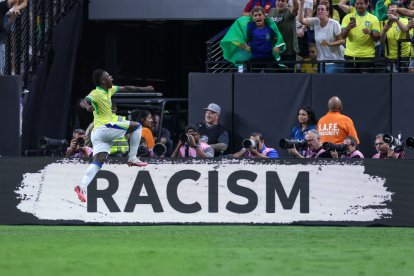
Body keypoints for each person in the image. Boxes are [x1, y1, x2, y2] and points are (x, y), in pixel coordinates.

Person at [74, 69, 155, 203]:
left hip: (98, 135)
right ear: (103, 81)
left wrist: (144, 88)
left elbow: (127, 88)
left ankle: (82, 186)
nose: (111, 77)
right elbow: (84, 101)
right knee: (137, 126)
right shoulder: (96, 92)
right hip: (104, 128)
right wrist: (87, 107)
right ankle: (133, 158)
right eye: (108, 76)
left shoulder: (109, 90)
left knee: (98, 162)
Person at [299, 0, 345, 73]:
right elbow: (301, 20)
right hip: (321, 61)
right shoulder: (315, 22)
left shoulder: (334, 24)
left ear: (327, 12)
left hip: (335, 61)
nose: (320, 11)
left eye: (322, 9)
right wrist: (301, 5)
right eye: (318, 10)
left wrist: (330, 44)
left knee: (328, 82)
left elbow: (342, 41)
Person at [341, 0, 380, 73]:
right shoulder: (347, 17)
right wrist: (347, 29)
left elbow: (376, 38)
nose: (358, 6)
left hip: (367, 56)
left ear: (367, 4)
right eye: (357, 4)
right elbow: (342, 36)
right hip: (350, 55)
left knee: (366, 82)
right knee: (349, 82)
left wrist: (371, 32)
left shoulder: (373, 19)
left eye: (361, 4)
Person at [268, 0, 300, 71]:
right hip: (274, 52)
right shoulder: (271, 11)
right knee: (273, 77)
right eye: (278, 0)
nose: (280, 3)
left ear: (287, 3)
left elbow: (296, 8)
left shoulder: (289, 12)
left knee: (288, 77)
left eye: (283, 1)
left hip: (288, 52)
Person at [380, 4, 410, 71]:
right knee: (391, 79)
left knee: (403, 79)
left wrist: (397, 20)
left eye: (394, 10)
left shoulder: (405, 20)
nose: (393, 13)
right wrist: (384, 31)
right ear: (387, 13)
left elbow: (406, 32)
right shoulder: (383, 23)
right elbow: (382, 42)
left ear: (399, 12)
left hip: (404, 56)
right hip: (389, 57)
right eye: (390, 11)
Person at [0, 0, 27, 75]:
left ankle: (12, 69)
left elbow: (24, 2)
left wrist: (16, 7)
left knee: (10, 44)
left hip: (7, 14)